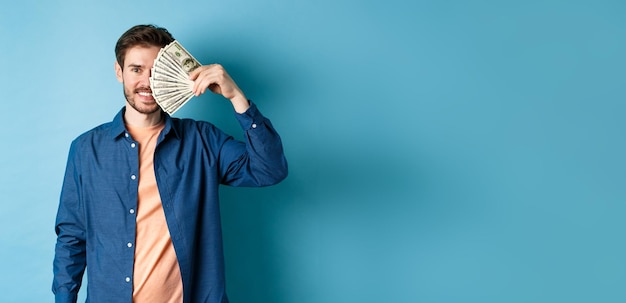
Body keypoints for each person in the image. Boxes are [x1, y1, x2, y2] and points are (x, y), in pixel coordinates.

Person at [52, 24, 288, 303]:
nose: (147, 81)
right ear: (119, 72)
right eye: (136, 69)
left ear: (172, 72)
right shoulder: (85, 150)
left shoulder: (203, 141)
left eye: (156, 71)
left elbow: (269, 169)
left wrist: (237, 98)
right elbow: (71, 237)